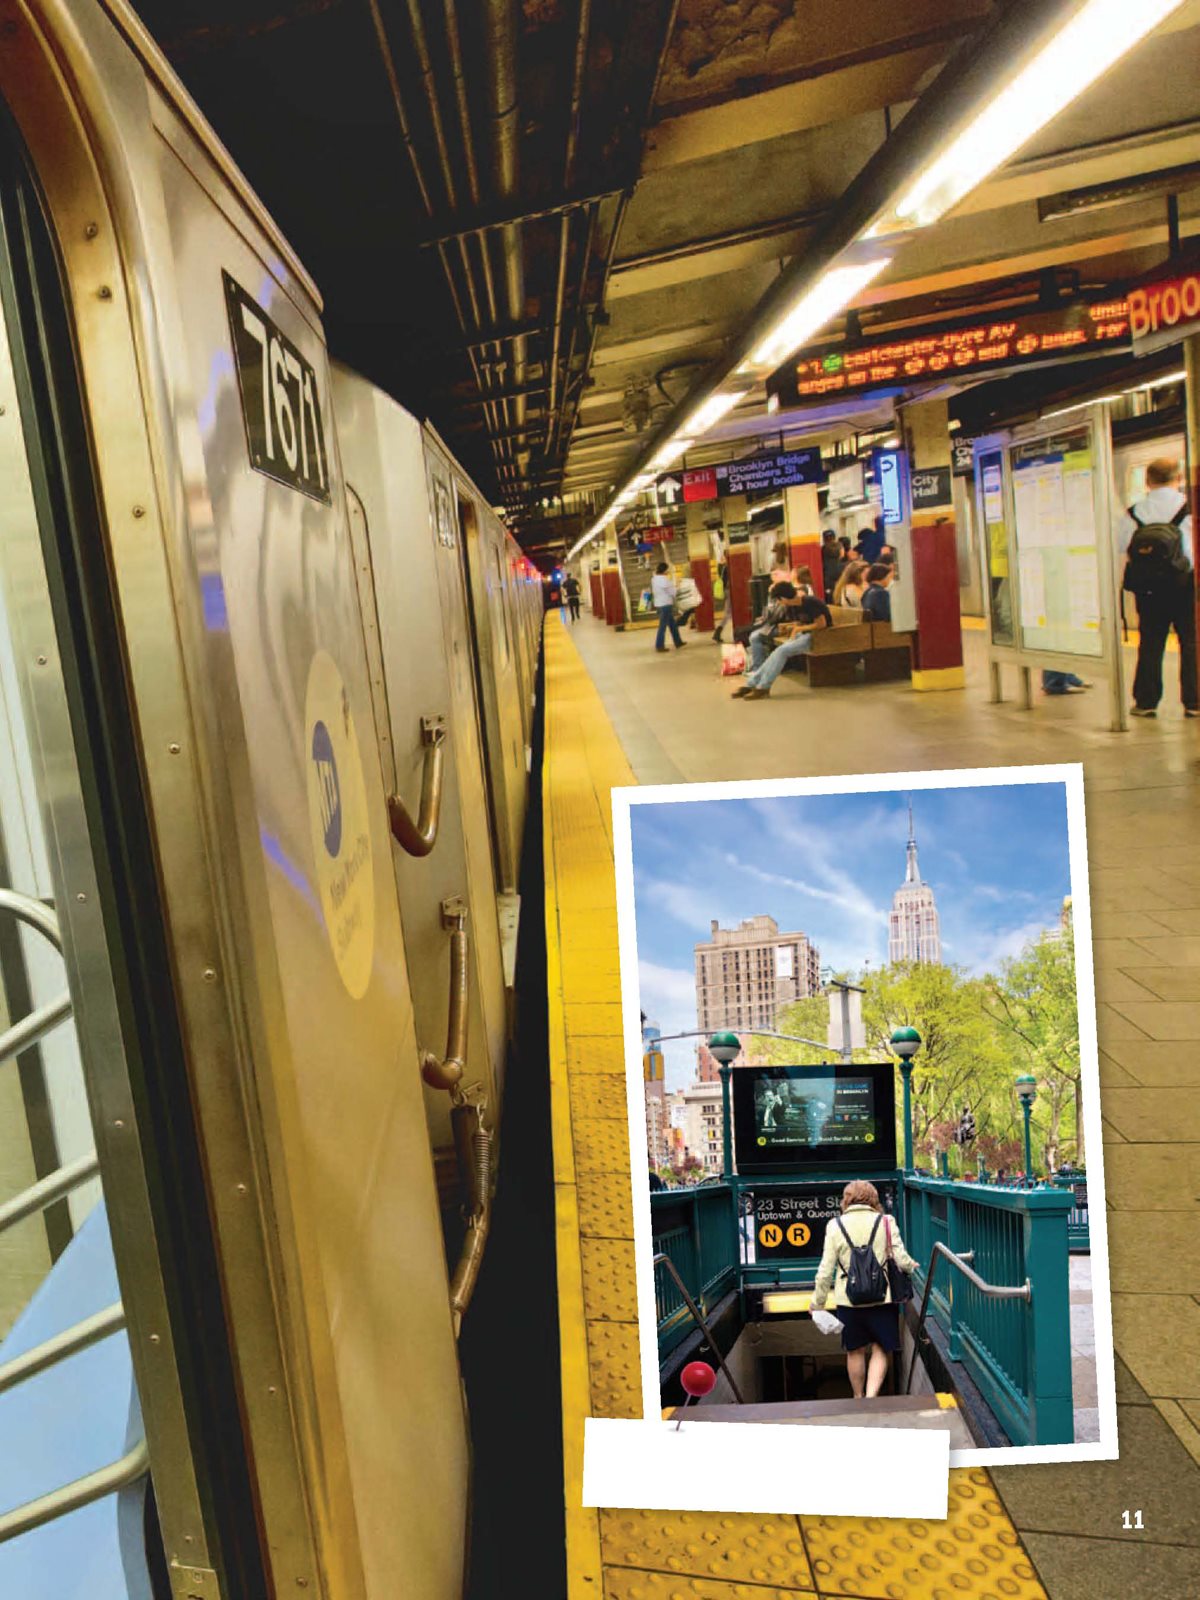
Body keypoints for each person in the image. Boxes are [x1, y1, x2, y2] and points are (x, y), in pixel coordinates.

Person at [810, 1180, 919, 1400]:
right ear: (873, 1199)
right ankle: (871, 1397)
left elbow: (825, 1270)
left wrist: (817, 1303)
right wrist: (911, 1266)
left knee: (854, 1350)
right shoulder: (886, 1222)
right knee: (881, 1348)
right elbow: (900, 1258)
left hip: (849, 1301)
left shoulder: (835, 1225)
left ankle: (858, 1397)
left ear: (846, 1199)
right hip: (882, 1298)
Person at [1118, 458, 1198, 718]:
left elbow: (1123, 547)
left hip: (1149, 589)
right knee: (1191, 643)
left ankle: (1146, 701)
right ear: (1179, 479)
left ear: (1147, 481)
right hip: (1185, 586)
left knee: (1150, 643)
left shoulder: (1134, 512)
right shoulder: (1190, 507)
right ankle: (1195, 702)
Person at [731, 587, 832, 699]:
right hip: (805, 634)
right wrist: (796, 627)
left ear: (784, 598)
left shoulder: (810, 603)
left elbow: (822, 624)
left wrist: (799, 628)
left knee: (782, 651)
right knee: (776, 653)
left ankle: (763, 687)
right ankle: (752, 684)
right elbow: (803, 621)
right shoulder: (793, 606)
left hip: (818, 636)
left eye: (779, 600)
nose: (779, 603)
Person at [747, 580, 798, 672]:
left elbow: (773, 618)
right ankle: (758, 665)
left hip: (784, 628)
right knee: (754, 634)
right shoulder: (783, 601)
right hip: (779, 626)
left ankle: (758, 667)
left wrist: (770, 601)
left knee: (755, 637)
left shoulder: (787, 603)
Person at [651, 561, 686, 652]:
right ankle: (659, 645)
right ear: (665, 570)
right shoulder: (665, 580)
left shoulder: (654, 579)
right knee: (662, 626)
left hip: (659, 604)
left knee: (672, 624)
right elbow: (673, 593)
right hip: (665, 605)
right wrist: (677, 585)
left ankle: (678, 642)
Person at [821, 531, 841, 597]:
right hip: (839, 570)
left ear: (824, 539)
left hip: (827, 573)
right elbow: (842, 556)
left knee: (829, 593)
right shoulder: (839, 546)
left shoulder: (823, 549)